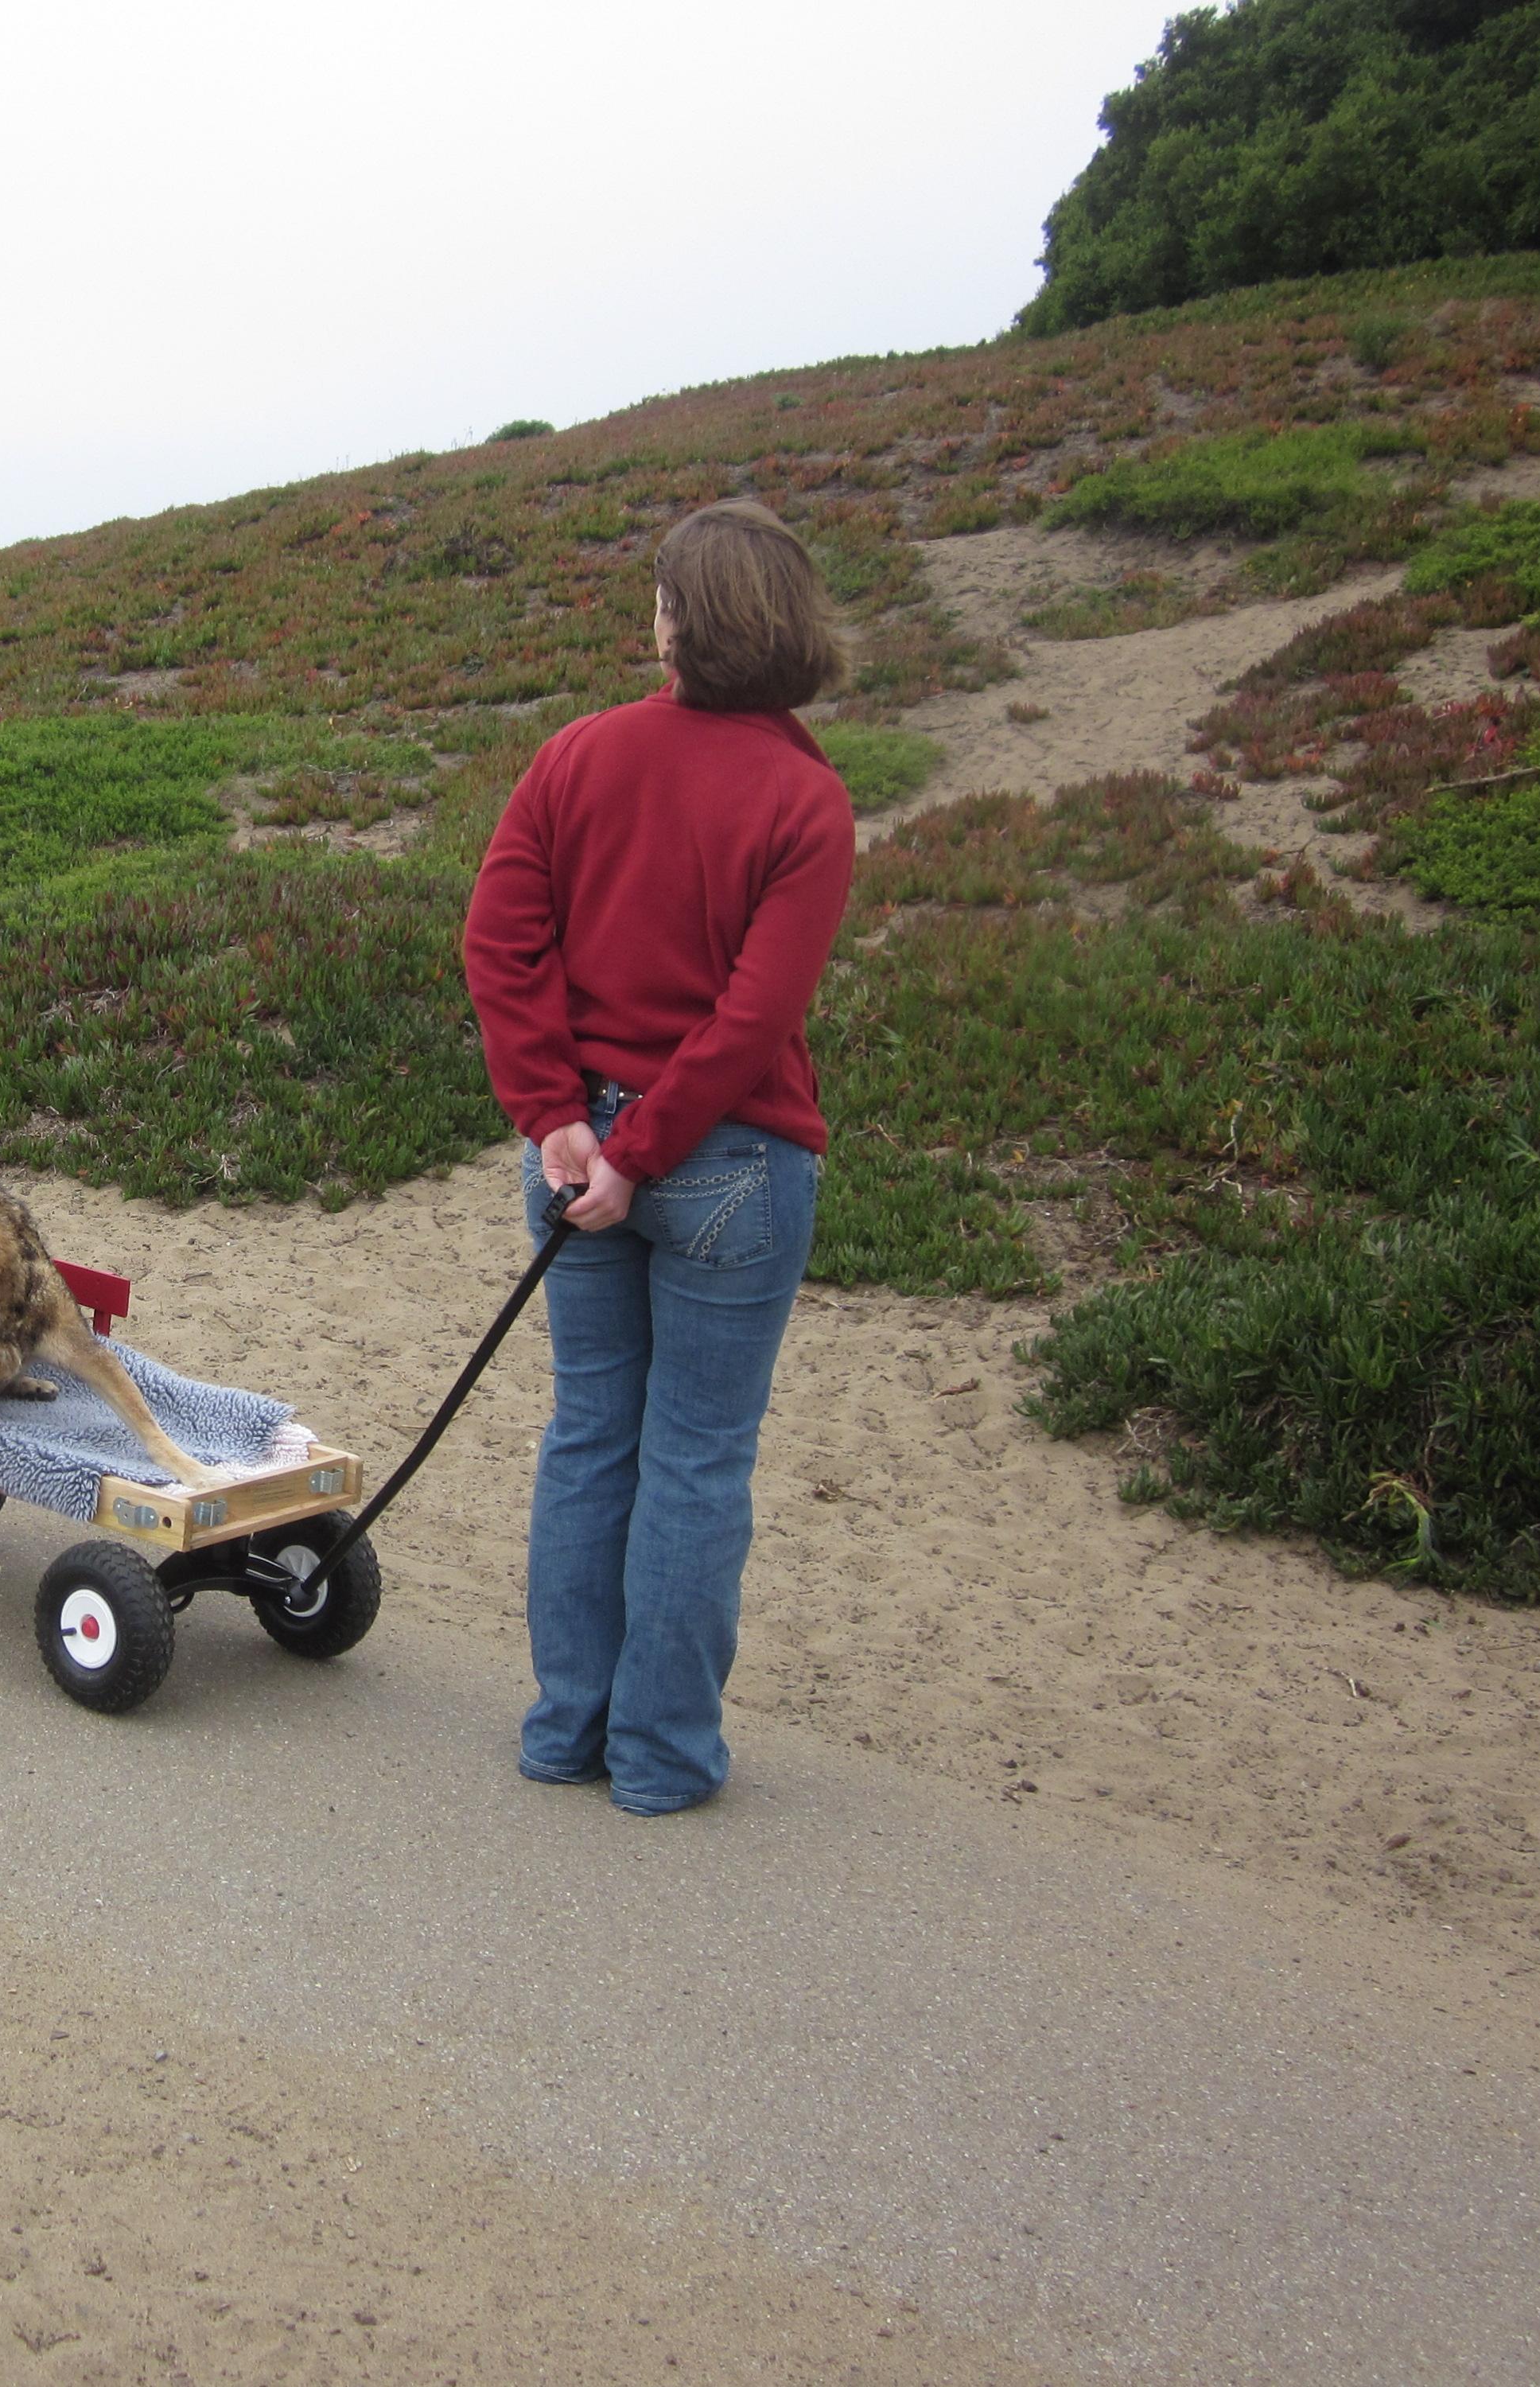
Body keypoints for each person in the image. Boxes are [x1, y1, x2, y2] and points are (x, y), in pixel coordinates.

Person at [461, 499, 854, 1813]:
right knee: (692, 1456)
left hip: (588, 1154)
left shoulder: (577, 755)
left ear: (683, 623)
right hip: (726, 1166)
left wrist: (562, 1121)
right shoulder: (806, 799)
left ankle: (566, 1732)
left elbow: (500, 943)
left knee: (592, 1435)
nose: (656, 618)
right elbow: (756, 1019)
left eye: (663, 598)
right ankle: (662, 1756)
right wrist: (624, 1145)